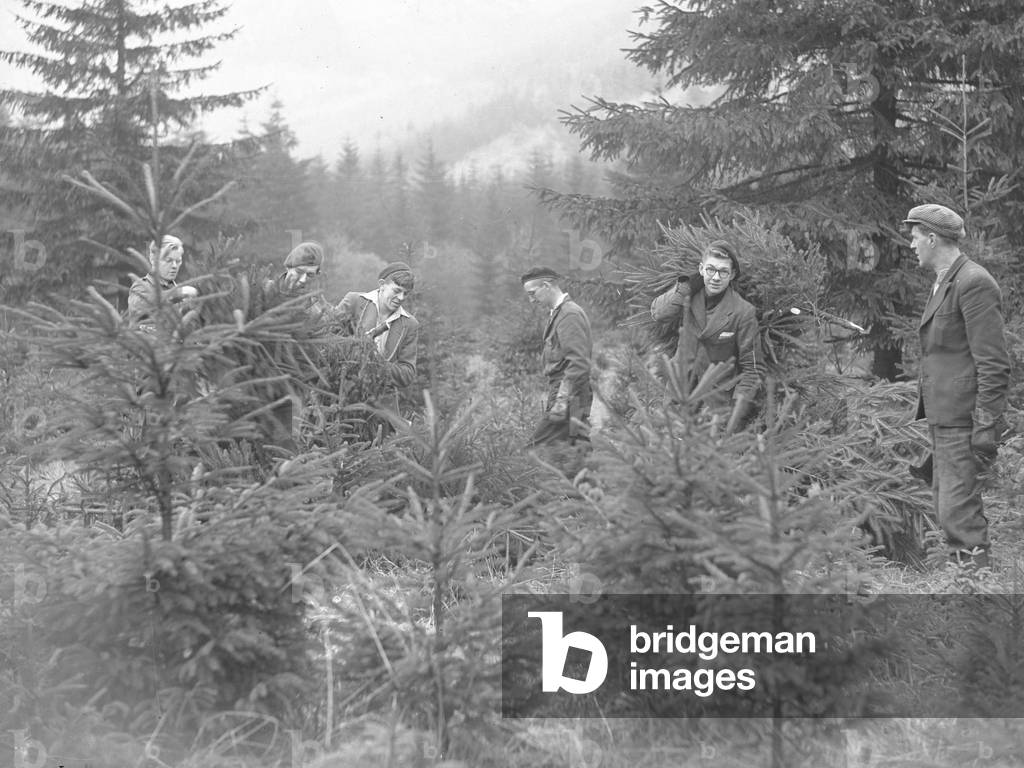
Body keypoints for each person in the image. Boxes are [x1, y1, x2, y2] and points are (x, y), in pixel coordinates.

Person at [904, 203, 1011, 569]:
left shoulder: (973, 282)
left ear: (933, 238)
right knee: (948, 506)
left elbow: (994, 364)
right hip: (944, 416)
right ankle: (966, 585)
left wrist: (985, 428)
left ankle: (974, 594)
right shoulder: (944, 281)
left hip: (963, 420)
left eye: (915, 237)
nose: (911, 244)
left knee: (958, 510)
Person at [650, 240, 762, 432]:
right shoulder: (689, 296)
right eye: (710, 269)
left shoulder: (743, 312)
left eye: (723, 271)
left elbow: (752, 369)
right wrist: (686, 287)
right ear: (701, 269)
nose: (716, 277)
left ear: (732, 274)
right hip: (678, 401)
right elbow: (659, 313)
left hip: (716, 412)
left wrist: (736, 412)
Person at [521, 266, 593, 446]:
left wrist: (561, 400)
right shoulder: (559, 313)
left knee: (534, 451)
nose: (531, 300)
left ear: (546, 285)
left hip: (569, 395)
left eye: (532, 293)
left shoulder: (569, 314)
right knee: (577, 453)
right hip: (572, 395)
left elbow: (578, 363)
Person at [335, 261, 420, 389]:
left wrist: (377, 365)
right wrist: (355, 351)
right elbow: (326, 338)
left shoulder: (409, 324)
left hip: (382, 401)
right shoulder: (354, 302)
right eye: (397, 291)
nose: (401, 297)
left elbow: (407, 374)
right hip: (342, 392)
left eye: (406, 293)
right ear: (382, 285)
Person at [127, 235, 198, 329]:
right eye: (168, 260)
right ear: (153, 260)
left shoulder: (180, 293)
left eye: (178, 261)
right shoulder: (141, 287)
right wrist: (179, 293)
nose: (174, 266)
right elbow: (140, 304)